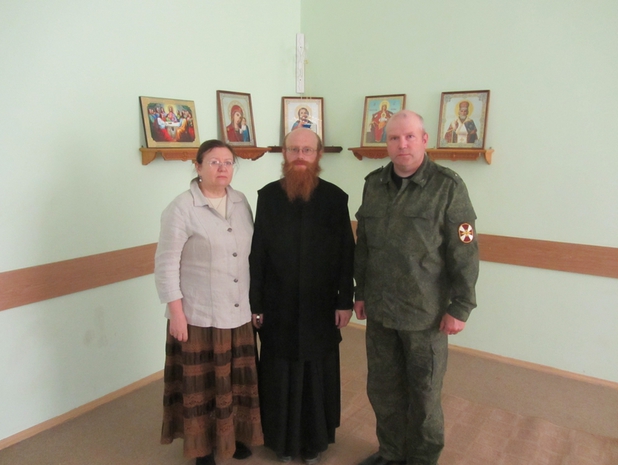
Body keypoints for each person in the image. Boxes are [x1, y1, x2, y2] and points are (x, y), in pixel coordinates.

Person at [354, 110, 479, 465]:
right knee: (383, 390)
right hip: (381, 308)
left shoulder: (447, 186)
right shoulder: (374, 184)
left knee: (424, 394)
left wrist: (461, 306)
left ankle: (423, 459)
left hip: (425, 313)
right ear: (387, 144)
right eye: (394, 138)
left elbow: (464, 250)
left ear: (424, 140)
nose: (402, 144)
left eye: (410, 136)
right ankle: (391, 453)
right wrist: (360, 291)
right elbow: (364, 244)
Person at [249, 128, 355, 464]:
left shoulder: (335, 198)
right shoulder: (267, 196)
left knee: (316, 372)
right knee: (279, 373)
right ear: (284, 153)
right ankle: (280, 442)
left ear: (318, 155)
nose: (300, 156)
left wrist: (345, 301)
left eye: (306, 150)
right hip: (277, 305)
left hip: (320, 307)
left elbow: (347, 254)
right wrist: (256, 303)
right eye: (293, 149)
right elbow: (257, 253)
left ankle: (314, 442)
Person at [154, 140, 263, 465]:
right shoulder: (181, 207)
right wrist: (176, 313)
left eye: (228, 162)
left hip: (238, 311)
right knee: (203, 387)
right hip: (199, 315)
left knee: (235, 383)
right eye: (214, 162)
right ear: (198, 166)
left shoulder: (241, 201)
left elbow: (249, 256)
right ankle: (202, 449)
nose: (222, 168)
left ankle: (234, 436)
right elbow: (166, 264)